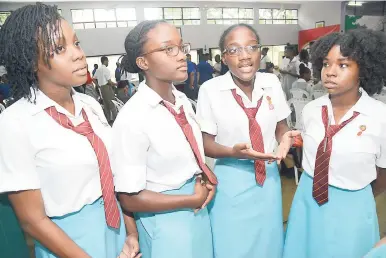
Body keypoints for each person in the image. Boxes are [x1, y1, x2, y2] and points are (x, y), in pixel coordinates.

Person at [0, 4, 141, 258]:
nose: (78, 54)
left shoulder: (89, 105)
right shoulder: (15, 122)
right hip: (67, 242)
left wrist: (131, 233)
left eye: (76, 43)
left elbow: (113, 174)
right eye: (59, 48)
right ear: (31, 61)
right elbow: (32, 220)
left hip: (116, 225)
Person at [112, 20, 217, 258]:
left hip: (196, 211)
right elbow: (129, 198)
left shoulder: (181, 102)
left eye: (181, 47)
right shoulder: (134, 118)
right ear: (143, 62)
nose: (181, 56)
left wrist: (202, 180)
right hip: (166, 219)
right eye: (169, 49)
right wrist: (189, 199)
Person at [196, 23, 299, 258]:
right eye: (234, 50)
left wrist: (284, 141)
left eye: (251, 47)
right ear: (224, 57)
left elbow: (281, 127)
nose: (244, 56)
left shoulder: (271, 82)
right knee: (233, 245)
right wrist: (235, 152)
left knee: (268, 243)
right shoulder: (211, 90)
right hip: (231, 181)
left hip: (268, 179)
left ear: (259, 52)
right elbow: (205, 144)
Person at [283, 29, 386, 258]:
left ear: (364, 69)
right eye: (326, 64)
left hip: (352, 208)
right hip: (307, 201)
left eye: (343, 65)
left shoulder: (380, 116)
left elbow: (383, 174)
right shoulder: (310, 110)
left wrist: (353, 196)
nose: (330, 72)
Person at [93, 56, 118, 124]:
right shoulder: (106, 70)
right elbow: (109, 82)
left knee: (106, 104)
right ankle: (116, 120)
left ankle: (108, 120)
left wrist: (98, 85)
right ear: (105, 61)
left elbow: (93, 78)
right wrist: (116, 84)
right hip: (107, 88)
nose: (108, 63)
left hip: (101, 88)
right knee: (112, 103)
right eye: (108, 61)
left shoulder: (98, 70)